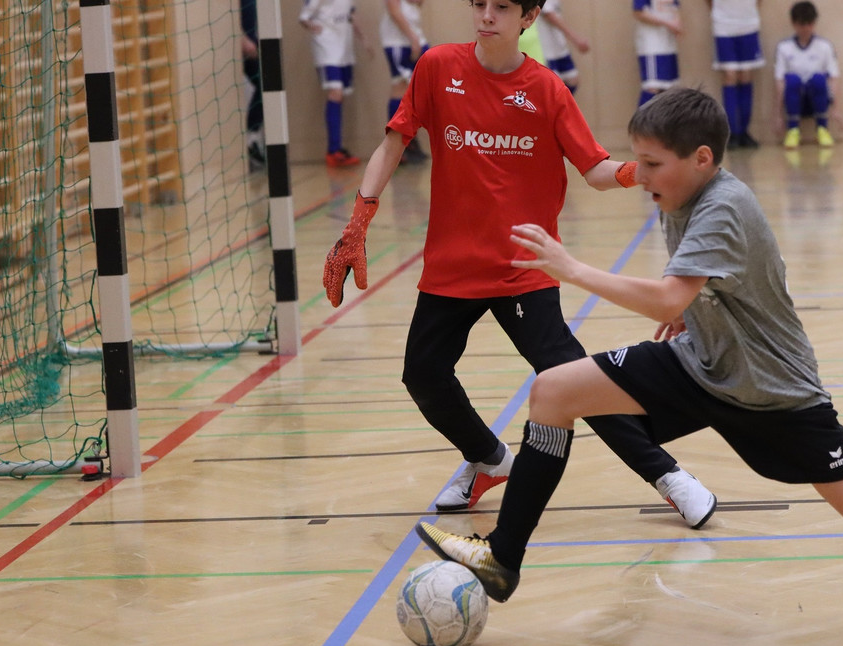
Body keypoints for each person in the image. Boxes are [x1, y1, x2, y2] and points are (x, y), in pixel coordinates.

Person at [416, 86, 843, 603]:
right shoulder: (676, 194)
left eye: (652, 164)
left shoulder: (723, 205)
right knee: (554, 391)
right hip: (703, 364)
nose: (640, 175)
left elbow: (665, 299)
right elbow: (717, 282)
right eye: (638, 161)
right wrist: (697, 310)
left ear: (702, 159)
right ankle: (502, 557)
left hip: (773, 392)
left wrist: (572, 268)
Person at [321, 0, 717, 528]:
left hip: (524, 265)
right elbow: (393, 143)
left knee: (571, 379)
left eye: (502, 7)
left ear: (528, 17)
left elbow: (594, 168)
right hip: (453, 264)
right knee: (423, 373)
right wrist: (358, 222)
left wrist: (638, 172)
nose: (487, 15)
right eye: (479, 4)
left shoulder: (547, 90)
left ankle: (669, 476)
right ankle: (488, 459)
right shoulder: (437, 67)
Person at [299, 0, 369, 168]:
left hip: (345, 49)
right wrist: (313, 27)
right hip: (326, 48)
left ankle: (337, 148)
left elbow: (351, 14)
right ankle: (333, 150)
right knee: (335, 93)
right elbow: (304, 17)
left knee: (340, 96)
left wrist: (363, 38)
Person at [773, 1, 842, 150]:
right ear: (794, 24)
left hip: (818, 100)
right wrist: (778, 115)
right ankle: (793, 130)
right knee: (792, 80)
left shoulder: (825, 47)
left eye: (809, 24)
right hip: (794, 101)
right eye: (801, 24)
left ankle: (822, 129)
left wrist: (836, 108)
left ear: (814, 23)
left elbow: (833, 79)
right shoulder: (784, 48)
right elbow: (780, 82)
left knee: (818, 79)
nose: (806, 28)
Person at [706, 0, 763, 149]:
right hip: (723, 25)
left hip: (748, 23)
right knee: (729, 75)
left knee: (746, 75)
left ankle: (744, 131)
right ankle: (732, 133)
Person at [380, 0, 430, 164]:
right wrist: (412, 38)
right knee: (400, 88)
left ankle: (409, 139)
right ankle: (396, 143)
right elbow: (394, 11)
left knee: (420, 90)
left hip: (416, 39)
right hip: (399, 43)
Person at [632, 0, 682, 108]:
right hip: (652, 46)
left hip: (669, 44)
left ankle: (666, 119)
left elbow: (675, 8)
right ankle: (642, 119)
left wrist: (677, 24)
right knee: (652, 87)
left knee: (669, 88)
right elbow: (638, 12)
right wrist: (668, 23)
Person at [534, 0, 590, 95]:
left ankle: (560, 103)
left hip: (559, 47)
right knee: (552, 87)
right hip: (547, 50)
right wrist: (576, 39)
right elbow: (549, 15)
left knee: (572, 80)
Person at [239, 0, 264, 172]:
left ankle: (252, 139)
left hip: (252, 42)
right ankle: (250, 138)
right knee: (263, 83)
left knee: (265, 85)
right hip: (240, 45)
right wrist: (242, 39)